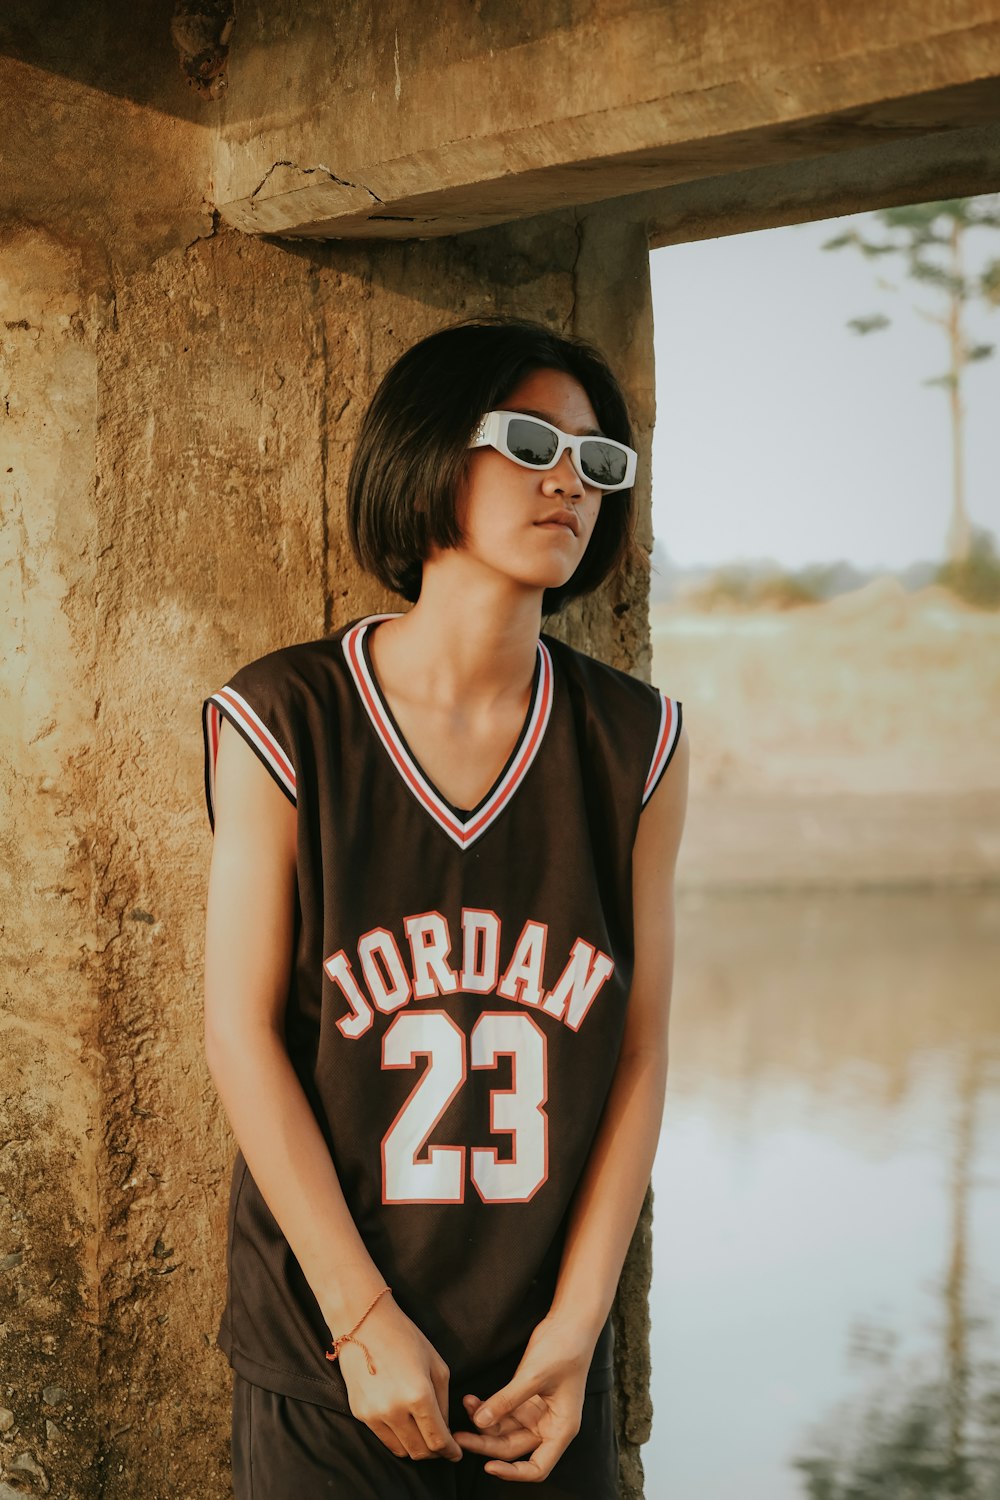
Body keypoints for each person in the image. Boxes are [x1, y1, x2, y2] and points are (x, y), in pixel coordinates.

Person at [201, 314, 689, 1497]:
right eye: (529, 442)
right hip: (330, 1357)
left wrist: (579, 1336)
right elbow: (242, 1033)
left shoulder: (638, 740)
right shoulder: (284, 716)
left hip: (542, 1367)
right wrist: (360, 1321)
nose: (569, 479)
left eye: (596, 460)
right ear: (427, 453)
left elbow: (635, 1050)